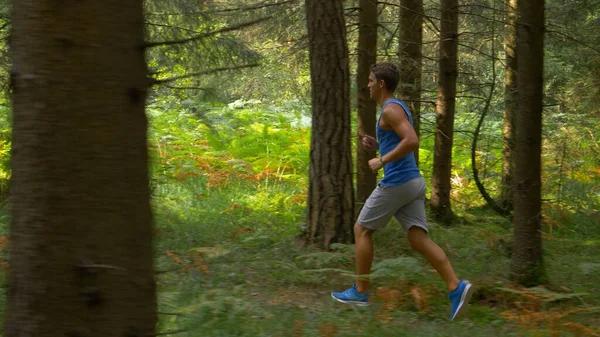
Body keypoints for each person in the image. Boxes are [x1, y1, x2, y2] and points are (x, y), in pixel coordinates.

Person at [331, 62, 473, 320]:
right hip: (412, 183)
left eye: (371, 81)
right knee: (418, 239)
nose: (369, 85)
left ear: (382, 84)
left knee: (361, 229)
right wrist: (378, 146)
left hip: (398, 182)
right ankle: (456, 287)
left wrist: (381, 161)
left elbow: (412, 140)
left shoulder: (391, 109)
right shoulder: (394, 109)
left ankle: (361, 291)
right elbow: (399, 141)